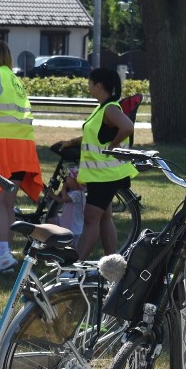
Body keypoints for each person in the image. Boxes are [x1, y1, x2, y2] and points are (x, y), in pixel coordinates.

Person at [0, 39, 43, 277]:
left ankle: (2, 255)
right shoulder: (14, 79)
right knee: (7, 203)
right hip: (22, 144)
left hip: (0, 143)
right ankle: (5, 253)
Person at [54, 67, 137, 260]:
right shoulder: (103, 108)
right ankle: (113, 264)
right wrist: (72, 142)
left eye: (90, 84)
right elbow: (95, 134)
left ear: (98, 85)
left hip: (106, 176)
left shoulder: (110, 108)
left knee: (91, 218)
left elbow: (127, 127)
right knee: (104, 217)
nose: (88, 87)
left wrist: (113, 146)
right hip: (101, 175)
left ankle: (76, 265)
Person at [47, 166, 86, 248]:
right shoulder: (73, 192)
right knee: (50, 221)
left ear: (75, 182)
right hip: (66, 221)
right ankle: (51, 241)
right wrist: (52, 195)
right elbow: (61, 200)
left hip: (73, 227)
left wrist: (63, 188)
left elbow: (64, 199)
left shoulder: (78, 194)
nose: (66, 179)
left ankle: (73, 257)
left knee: (71, 246)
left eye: (69, 177)